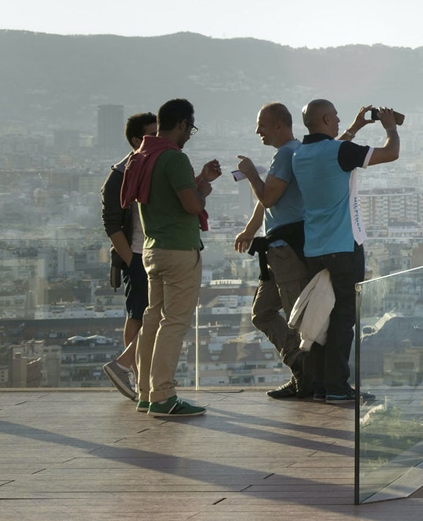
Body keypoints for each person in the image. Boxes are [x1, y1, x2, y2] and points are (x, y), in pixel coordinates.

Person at [292, 100, 399, 404]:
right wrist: (390, 128)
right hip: (344, 245)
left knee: (320, 316)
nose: (339, 122)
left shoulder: (301, 154)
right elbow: (391, 153)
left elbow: (332, 150)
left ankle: (321, 385)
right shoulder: (338, 152)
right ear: (325, 119)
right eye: (336, 118)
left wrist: (355, 127)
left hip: (314, 247)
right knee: (342, 318)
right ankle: (338, 386)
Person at [122, 98, 221, 417]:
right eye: (189, 128)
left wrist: (201, 180)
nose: (190, 134)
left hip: (151, 248)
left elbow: (169, 197)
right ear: (181, 124)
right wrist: (204, 188)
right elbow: (191, 205)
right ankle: (164, 395)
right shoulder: (174, 158)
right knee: (174, 322)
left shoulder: (143, 155)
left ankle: (147, 393)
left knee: (153, 318)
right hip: (178, 249)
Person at [234, 103, 315, 399]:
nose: (258, 132)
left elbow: (266, 196)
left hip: (287, 251)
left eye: (263, 126)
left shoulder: (285, 154)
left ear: (280, 125)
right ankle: (300, 368)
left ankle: (309, 377)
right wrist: (251, 229)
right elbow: (269, 199)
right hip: (280, 249)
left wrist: (250, 173)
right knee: (262, 312)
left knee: (297, 319)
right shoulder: (298, 151)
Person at [99, 111, 157, 400]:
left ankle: (138, 374)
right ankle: (132, 372)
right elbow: (111, 222)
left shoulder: (152, 166)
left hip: (152, 252)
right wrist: (132, 259)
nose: (157, 139)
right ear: (136, 139)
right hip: (137, 254)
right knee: (140, 313)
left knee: (148, 313)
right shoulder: (119, 174)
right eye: (151, 134)